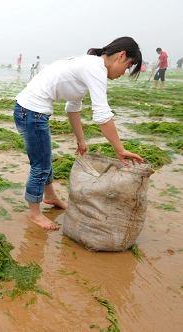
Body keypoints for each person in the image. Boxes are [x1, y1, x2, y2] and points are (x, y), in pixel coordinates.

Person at [13, 36, 144, 231]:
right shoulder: (95, 68)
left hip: (31, 111)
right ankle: (34, 212)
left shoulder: (90, 65)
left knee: (45, 158)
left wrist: (81, 141)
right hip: (31, 111)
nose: (123, 73)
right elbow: (102, 115)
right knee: (40, 165)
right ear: (121, 55)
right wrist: (120, 149)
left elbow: (72, 107)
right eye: (127, 67)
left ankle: (50, 196)